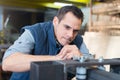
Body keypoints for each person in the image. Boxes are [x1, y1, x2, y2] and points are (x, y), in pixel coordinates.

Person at [2, 5, 90, 80]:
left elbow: (96, 68)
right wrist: (56, 59)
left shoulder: (78, 41)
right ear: (55, 21)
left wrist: (81, 58)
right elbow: (7, 63)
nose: (70, 35)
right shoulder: (35, 32)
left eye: (75, 30)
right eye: (67, 27)